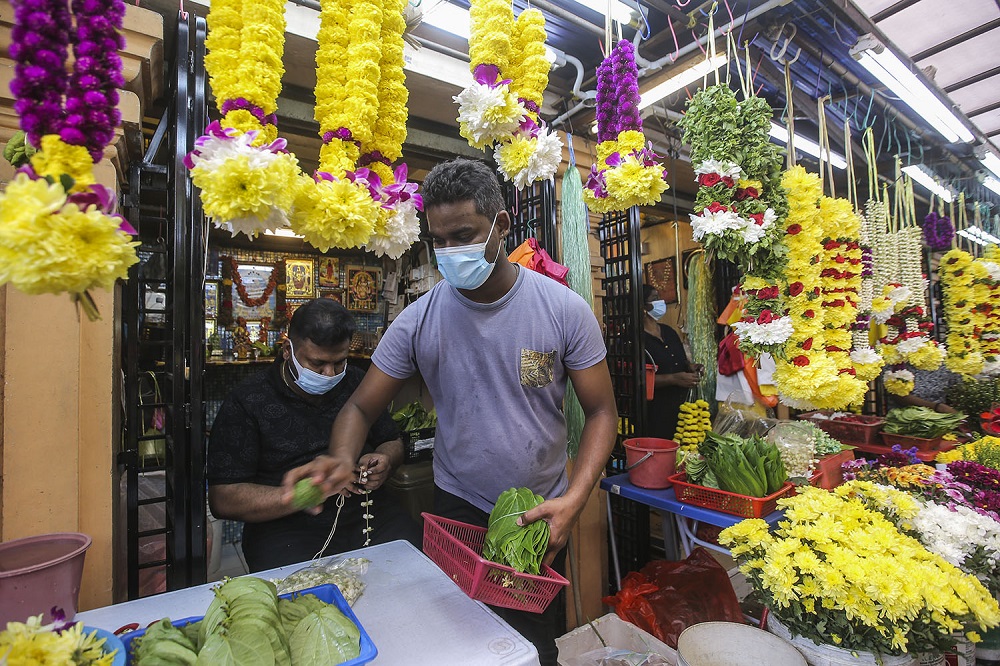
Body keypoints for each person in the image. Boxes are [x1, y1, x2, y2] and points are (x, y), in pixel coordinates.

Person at [281, 158, 618, 665]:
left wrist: (574, 499)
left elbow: (601, 412)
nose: (450, 252)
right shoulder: (419, 321)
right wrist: (340, 456)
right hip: (456, 506)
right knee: (454, 637)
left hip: (538, 512)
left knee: (528, 644)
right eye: (439, 240)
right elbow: (359, 406)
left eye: (464, 234)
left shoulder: (562, 310)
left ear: (502, 225)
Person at [207, 298, 420, 572]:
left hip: (365, 512)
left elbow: (394, 441)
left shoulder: (356, 382)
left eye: (339, 362)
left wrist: (385, 459)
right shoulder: (248, 400)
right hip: (286, 527)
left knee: (416, 568)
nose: (329, 374)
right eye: (318, 364)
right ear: (288, 350)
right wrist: (300, 495)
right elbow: (223, 498)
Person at [642, 284, 702, 438]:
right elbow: (639, 379)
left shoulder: (669, 332)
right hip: (656, 411)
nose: (660, 302)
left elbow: (681, 362)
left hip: (683, 410)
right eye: (654, 299)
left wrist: (692, 368)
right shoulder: (637, 339)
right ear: (643, 305)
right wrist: (674, 379)